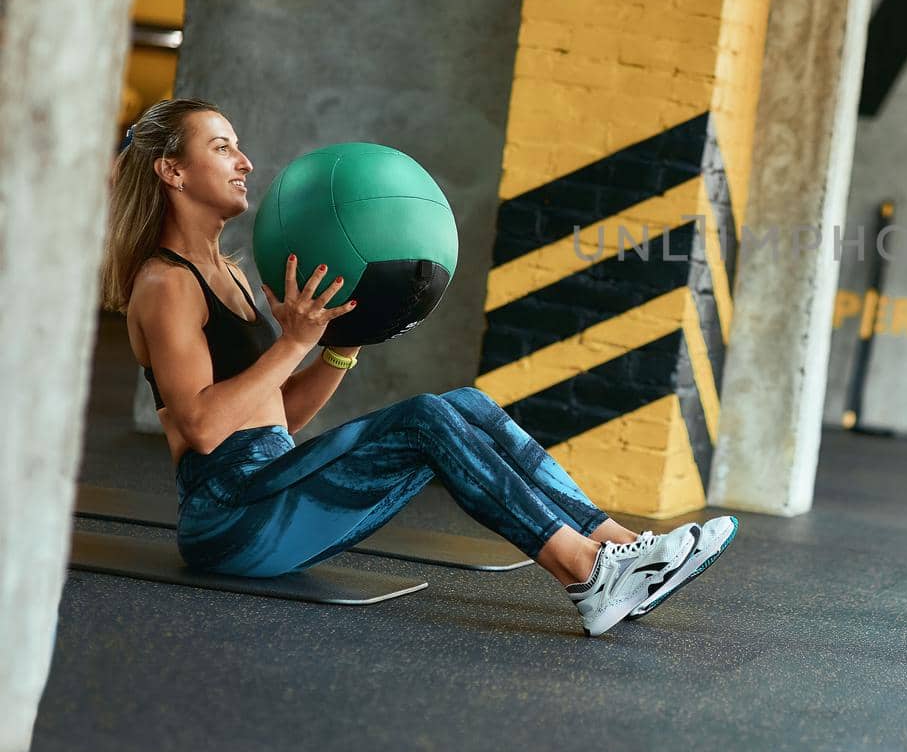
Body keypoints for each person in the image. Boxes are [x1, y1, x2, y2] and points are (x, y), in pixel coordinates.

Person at [103, 97, 737, 638]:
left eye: (238, 148)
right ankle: (586, 574)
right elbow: (205, 427)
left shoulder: (232, 274)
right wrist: (291, 343)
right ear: (172, 171)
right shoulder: (166, 284)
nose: (244, 163)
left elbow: (279, 415)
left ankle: (620, 546)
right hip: (230, 520)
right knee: (426, 420)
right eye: (221, 148)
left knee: (466, 404)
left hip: (273, 485)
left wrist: (335, 345)